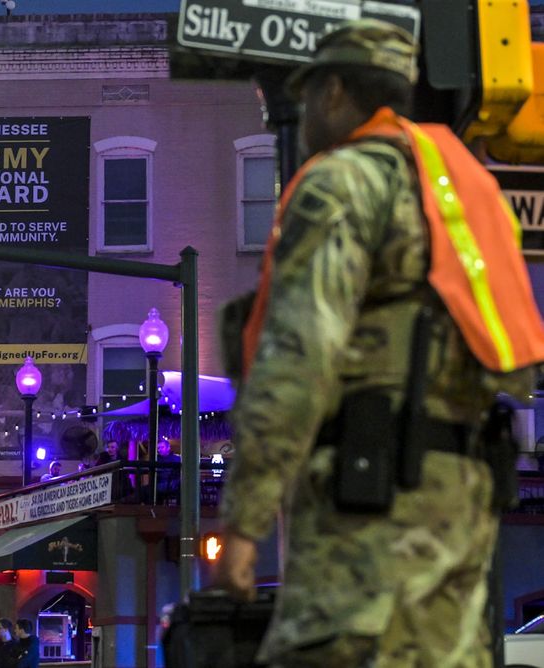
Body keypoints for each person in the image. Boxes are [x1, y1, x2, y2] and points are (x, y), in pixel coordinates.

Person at [215, 19, 544, 668]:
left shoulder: (341, 183)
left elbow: (297, 358)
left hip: (368, 498)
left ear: (335, 93)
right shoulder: (469, 190)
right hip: (463, 498)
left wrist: (246, 521)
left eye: (308, 96)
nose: (303, 113)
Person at [156, 438, 180, 503]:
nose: (159, 450)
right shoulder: (156, 459)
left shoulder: (176, 459)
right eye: (158, 448)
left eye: (162, 447)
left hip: (173, 483)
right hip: (159, 483)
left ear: (168, 447)